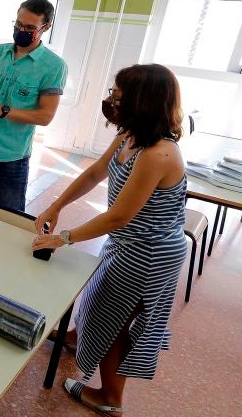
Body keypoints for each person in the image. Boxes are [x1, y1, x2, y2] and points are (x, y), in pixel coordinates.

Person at [31, 64, 188, 417]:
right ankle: (78, 338)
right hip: (127, 241)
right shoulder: (130, 136)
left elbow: (119, 216)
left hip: (150, 251)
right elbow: (93, 173)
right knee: (98, 293)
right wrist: (56, 205)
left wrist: (64, 238)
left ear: (142, 102)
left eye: (118, 95)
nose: (111, 100)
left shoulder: (157, 154)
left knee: (117, 317)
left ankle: (111, 397)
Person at [0, 0, 67, 212]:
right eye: (18, 25)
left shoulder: (53, 67)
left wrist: (3, 111)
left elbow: (45, 116)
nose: (22, 30)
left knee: (10, 215)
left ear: (46, 27)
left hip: (12, 154)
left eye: (30, 27)